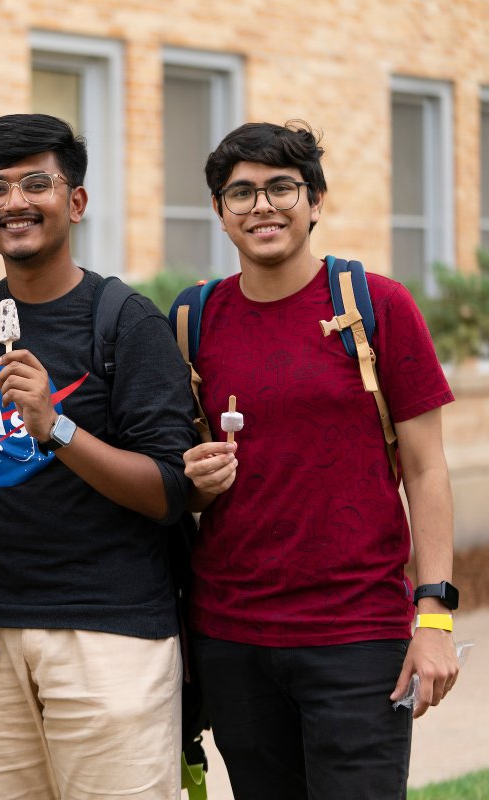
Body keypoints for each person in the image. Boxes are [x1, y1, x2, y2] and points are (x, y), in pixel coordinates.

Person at [180, 120, 460, 800]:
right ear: (220, 213)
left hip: (357, 634)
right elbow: (173, 477)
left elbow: (426, 470)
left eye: (282, 187)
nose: (262, 206)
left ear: (316, 200)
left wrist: (435, 618)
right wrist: (193, 479)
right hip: (232, 635)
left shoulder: (377, 306)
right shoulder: (192, 318)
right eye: (240, 193)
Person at [0, 113, 197, 799]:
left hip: (109, 635)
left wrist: (57, 428)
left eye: (37, 183)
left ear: (75, 201)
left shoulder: (125, 321)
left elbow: (169, 490)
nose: (16, 202)